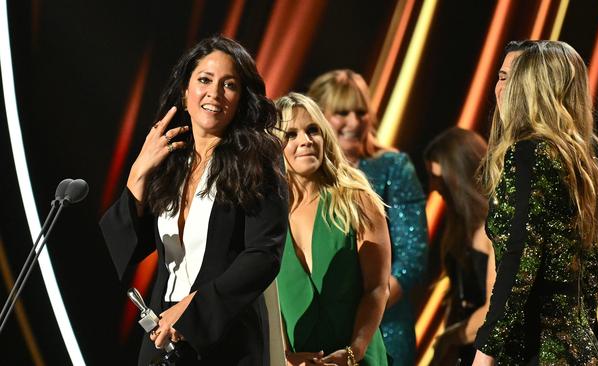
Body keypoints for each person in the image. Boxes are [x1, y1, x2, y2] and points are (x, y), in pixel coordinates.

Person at [99, 34, 288, 365]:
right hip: (161, 337)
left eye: (229, 85)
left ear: (242, 99)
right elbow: (114, 254)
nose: (214, 93)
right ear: (185, 93)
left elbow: (264, 255)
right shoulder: (170, 159)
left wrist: (190, 311)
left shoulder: (259, 157)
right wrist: (137, 176)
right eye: (204, 80)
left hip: (226, 339)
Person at [472, 40, 598, 365]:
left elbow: (521, 260)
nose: (503, 89)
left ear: (532, 88)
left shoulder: (530, 154)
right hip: (583, 351)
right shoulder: (587, 157)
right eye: (501, 77)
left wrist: (485, 350)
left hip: (535, 351)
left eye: (513, 79)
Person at [308, 70, 428, 365]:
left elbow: (412, 257)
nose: (353, 122)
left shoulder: (393, 166)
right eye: (342, 113)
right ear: (319, 116)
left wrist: (367, 312)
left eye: (360, 112)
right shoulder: (302, 174)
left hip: (385, 328)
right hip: (317, 326)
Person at [274, 92, 391, 365]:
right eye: (290, 134)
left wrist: (354, 352)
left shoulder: (356, 198)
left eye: (312, 129)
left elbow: (377, 288)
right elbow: (268, 302)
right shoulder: (266, 216)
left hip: (359, 358)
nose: (305, 140)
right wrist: (284, 357)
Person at [423, 128, 496, 366]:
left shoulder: (494, 229)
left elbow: (495, 308)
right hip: (464, 349)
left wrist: (450, 338)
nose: (433, 188)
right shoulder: (459, 228)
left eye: (439, 178)